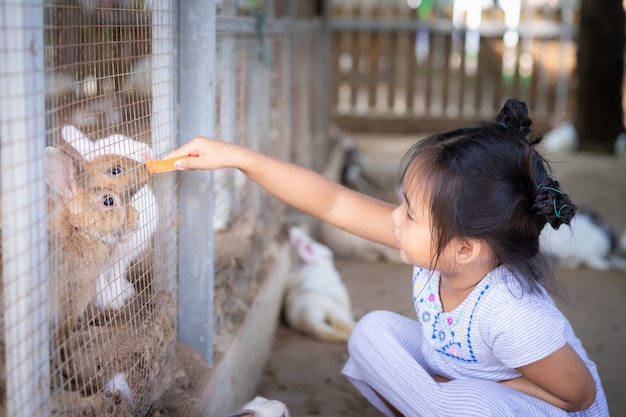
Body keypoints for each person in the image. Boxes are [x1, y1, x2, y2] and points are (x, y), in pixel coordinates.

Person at [166, 99, 608, 417]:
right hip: (461, 385)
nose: (395, 219)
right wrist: (239, 158)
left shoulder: (511, 312)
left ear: (466, 247)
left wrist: (456, 391)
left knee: (464, 405)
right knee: (371, 333)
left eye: (410, 213)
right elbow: (331, 201)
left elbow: (577, 396)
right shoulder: (441, 252)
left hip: (535, 405)